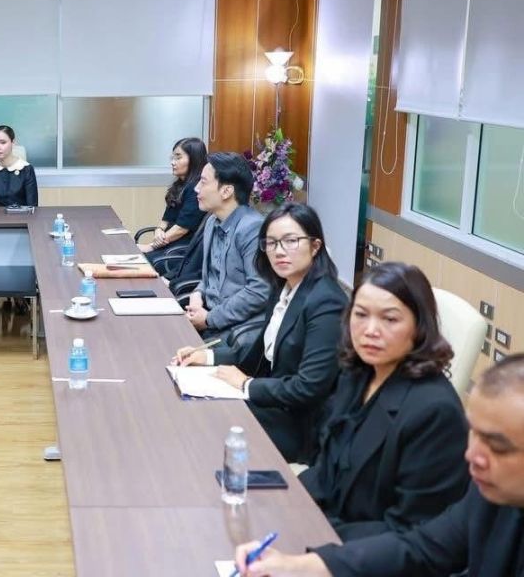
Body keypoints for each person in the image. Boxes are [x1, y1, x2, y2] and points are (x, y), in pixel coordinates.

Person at [234, 353, 524, 577]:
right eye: (474, 433)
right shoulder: (488, 495)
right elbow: (421, 548)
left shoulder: (432, 408)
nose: (472, 454)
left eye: (497, 446)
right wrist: (300, 566)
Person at [296, 262, 469, 540]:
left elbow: (412, 532)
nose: (370, 330)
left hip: (371, 552)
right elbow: (327, 470)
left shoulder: (435, 412)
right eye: (360, 315)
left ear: (419, 327)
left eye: (389, 319)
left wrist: (313, 537)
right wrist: (286, 502)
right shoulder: (358, 373)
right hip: (328, 528)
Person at [174, 203, 348, 463]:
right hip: (274, 404)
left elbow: (309, 387)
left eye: (291, 241)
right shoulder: (284, 288)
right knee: (192, 410)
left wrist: (247, 385)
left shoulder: (326, 302)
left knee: (207, 424)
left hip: (301, 425)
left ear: (315, 246)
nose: (279, 251)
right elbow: (257, 355)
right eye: (271, 243)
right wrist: (206, 357)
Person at [186, 152, 271, 346]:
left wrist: (209, 319)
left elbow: (259, 291)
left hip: (235, 331)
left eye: (203, 182)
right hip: (208, 318)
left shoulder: (252, 229)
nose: (196, 188)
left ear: (226, 191)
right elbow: (210, 278)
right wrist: (197, 294)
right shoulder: (212, 221)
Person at [140, 137, 208, 278]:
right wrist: (159, 231)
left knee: (141, 262)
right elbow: (166, 220)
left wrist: (150, 246)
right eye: (172, 158)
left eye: (178, 157)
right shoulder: (179, 186)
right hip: (168, 245)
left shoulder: (196, 188)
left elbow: (181, 229)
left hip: (180, 252)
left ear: (194, 160)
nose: (172, 162)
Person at [0, 125, 38, 208]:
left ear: (13, 143)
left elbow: (32, 207)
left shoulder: (26, 169)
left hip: (22, 215)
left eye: (3, 142)